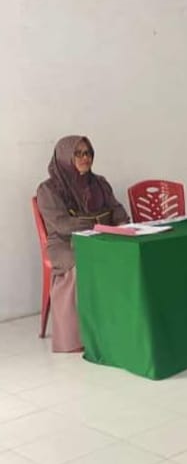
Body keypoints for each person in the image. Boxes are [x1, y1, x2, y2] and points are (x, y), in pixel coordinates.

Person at [36, 136, 129, 353]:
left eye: (88, 153)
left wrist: (123, 224)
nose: (85, 158)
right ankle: (75, 338)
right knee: (81, 264)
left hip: (101, 237)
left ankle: (116, 327)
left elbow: (116, 210)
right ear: (65, 157)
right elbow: (62, 224)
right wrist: (98, 220)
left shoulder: (99, 183)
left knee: (128, 256)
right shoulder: (48, 189)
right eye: (78, 153)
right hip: (65, 243)